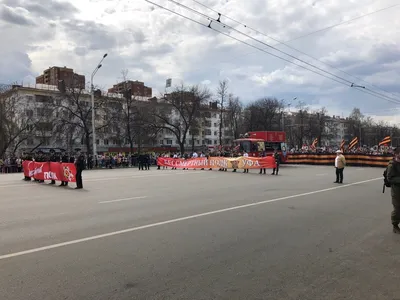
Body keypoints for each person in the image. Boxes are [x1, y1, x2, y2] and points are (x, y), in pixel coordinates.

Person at [386, 147, 400, 233]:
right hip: (396, 190)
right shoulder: (392, 165)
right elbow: (389, 178)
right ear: (396, 154)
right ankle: (395, 225)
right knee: (398, 208)